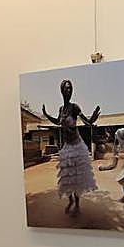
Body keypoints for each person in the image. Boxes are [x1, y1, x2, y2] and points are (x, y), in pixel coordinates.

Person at [42, 79, 100, 216]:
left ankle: (77, 204)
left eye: (70, 88)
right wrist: (45, 114)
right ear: (62, 91)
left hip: (77, 145)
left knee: (76, 176)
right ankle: (70, 200)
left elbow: (86, 121)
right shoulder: (62, 109)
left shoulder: (75, 107)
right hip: (67, 147)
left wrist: (92, 119)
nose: (69, 90)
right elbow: (57, 122)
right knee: (67, 176)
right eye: (67, 88)